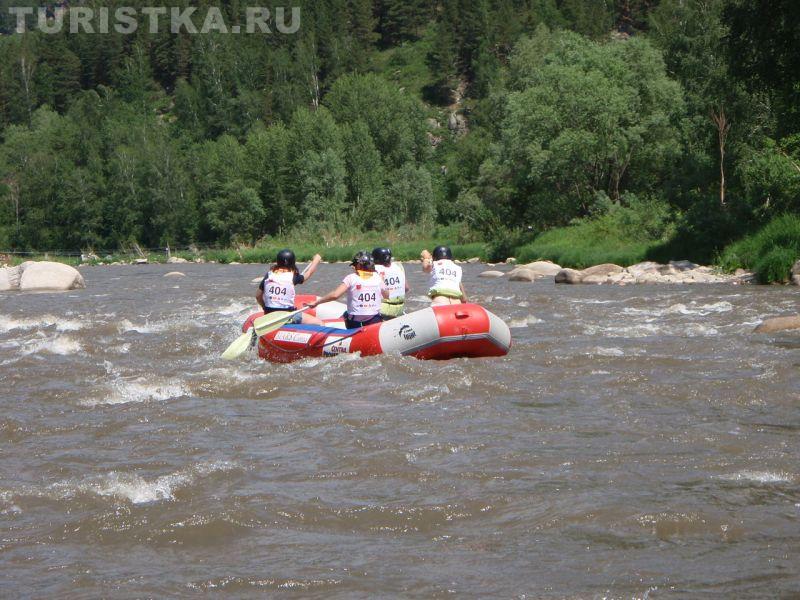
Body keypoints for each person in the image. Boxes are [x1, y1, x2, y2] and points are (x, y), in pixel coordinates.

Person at [308, 251, 383, 329]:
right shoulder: (378, 277)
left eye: (355, 265)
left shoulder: (351, 278)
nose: (353, 267)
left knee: (345, 314)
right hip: (374, 319)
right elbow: (386, 295)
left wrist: (317, 302)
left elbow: (335, 295)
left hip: (355, 321)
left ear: (359, 265)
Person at [256, 249, 325, 325]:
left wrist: (264, 308)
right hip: (287, 316)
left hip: (269, 315)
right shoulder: (293, 277)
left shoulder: (268, 275)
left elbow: (258, 296)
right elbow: (309, 273)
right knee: (320, 323)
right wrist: (316, 260)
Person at [372, 247, 409, 319]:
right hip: (400, 309)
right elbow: (406, 288)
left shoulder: (375, 269)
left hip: (383, 311)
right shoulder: (398, 266)